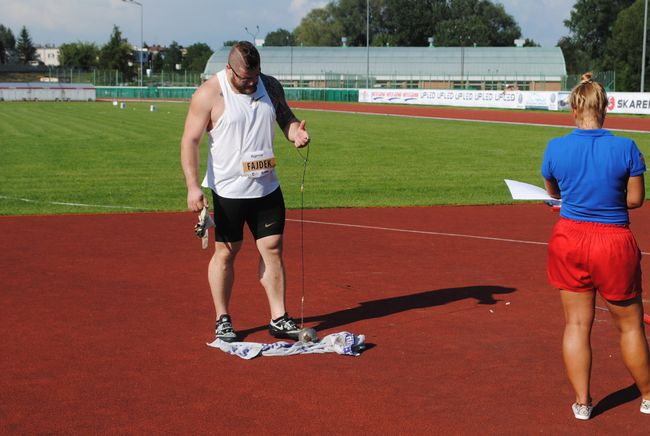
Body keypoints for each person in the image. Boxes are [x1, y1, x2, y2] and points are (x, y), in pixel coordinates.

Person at [180, 41, 310, 343]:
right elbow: (190, 140)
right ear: (230, 69)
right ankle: (222, 318)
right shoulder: (210, 93)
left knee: (273, 247)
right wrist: (192, 186)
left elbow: (286, 120)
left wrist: (296, 134)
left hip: (266, 186)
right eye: (244, 79)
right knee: (226, 252)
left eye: (255, 77)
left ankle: (279, 318)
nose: (251, 83)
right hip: (229, 190)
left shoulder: (269, 85)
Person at [541, 72, 649, 420]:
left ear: (574, 107)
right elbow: (635, 201)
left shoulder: (555, 147)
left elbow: (553, 193)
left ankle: (583, 403)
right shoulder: (625, 147)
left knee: (576, 325)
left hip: (569, 238)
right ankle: (648, 396)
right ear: (606, 107)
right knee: (630, 325)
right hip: (613, 239)